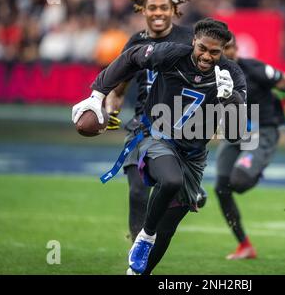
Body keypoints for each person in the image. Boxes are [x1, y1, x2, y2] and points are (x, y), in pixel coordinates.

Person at [72, 18, 247, 275]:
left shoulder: (232, 74)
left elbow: (235, 134)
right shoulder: (172, 54)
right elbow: (131, 57)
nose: (207, 56)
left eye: (214, 52)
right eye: (202, 48)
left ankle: (138, 272)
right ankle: (144, 236)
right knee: (171, 181)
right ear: (193, 42)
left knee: (168, 229)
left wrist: (230, 98)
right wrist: (97, 94)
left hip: (194, 155)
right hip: (158, 137)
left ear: (223, 51)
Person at [103, 0, 207, 243]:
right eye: (152, 7)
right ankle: (136, 252)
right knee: (137, 191)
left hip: (179, 128)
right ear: (143, 10)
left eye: (164, 7)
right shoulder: (135, 42)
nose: (158, 12)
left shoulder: (190, 39)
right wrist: (110, 110)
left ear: (173, 10)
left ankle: (186, 184)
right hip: (143, 124)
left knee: (170, 194)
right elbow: (119, 86)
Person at [215, 34, 285, 260]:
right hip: (235, 133)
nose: (228, 52)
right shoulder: (209, 74)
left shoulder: (254, 69)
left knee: (239, 182)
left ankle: (256, 166)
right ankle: (244, 245)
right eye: (223, 49)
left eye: (231, 47)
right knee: (221, 189)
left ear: (237, 49)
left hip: (262, 131)